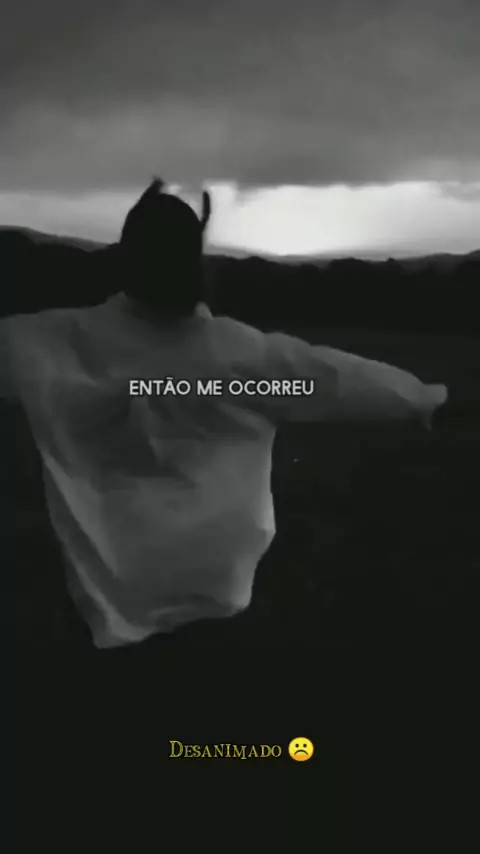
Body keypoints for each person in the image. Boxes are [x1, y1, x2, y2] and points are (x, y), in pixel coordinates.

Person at [2, 178, 448, 651]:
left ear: (126, 257)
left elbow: (329, 377)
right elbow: (330, 377)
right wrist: (420, 397)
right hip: (210, 585)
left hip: (106, 584)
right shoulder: (238, 355)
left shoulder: (56, 339)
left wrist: (418, 397)